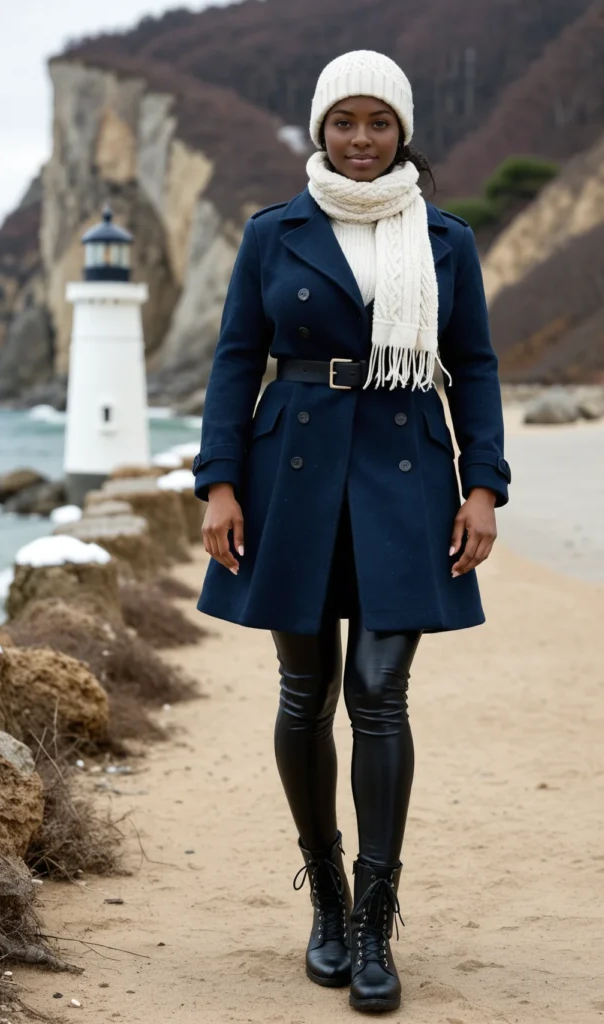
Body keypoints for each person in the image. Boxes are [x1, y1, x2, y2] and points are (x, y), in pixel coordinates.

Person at [191, 50, 511, 1014]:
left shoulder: (446, 239)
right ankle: (324, 898)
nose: (361, 140)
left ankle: (375, 919)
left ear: (401, 130)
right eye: (345, 123)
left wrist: (484, 485)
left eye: (378, 122)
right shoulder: (274, 232)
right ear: (321, 130)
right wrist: (217, 484)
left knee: (378, 688)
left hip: (404, 470)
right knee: (304, 688)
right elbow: (233, 361)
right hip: (288, 470)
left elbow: (478, 366)